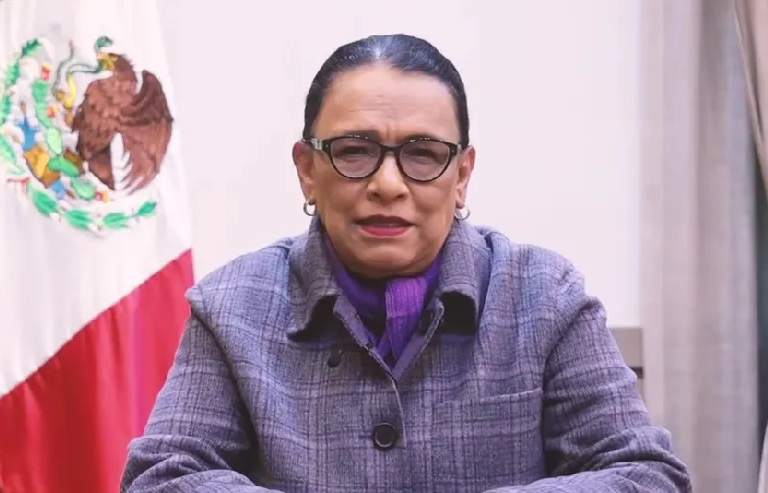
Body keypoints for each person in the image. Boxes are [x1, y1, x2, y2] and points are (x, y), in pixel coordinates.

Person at [120, 34, 692, 492]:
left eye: (422, 154)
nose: (388, 184)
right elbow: (163, 477)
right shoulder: (233, 305)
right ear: (307, 171)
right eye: (354, 151)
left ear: (462, 175)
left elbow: (646, 474)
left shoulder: (545, 296)